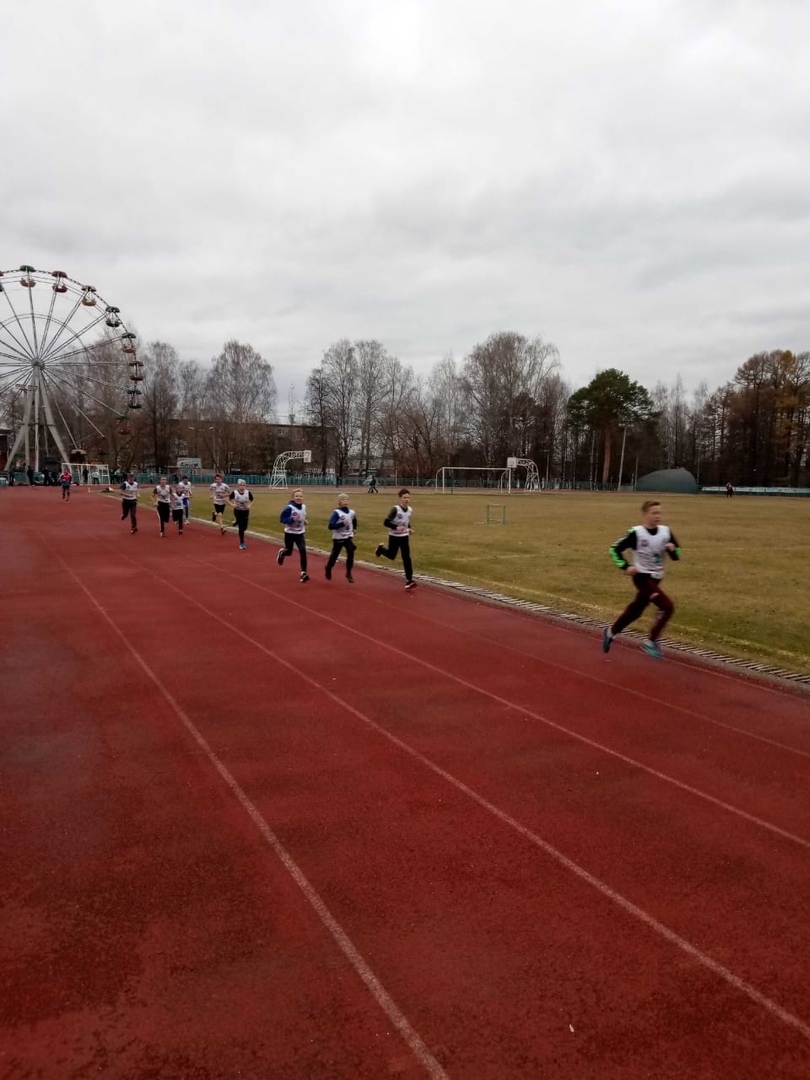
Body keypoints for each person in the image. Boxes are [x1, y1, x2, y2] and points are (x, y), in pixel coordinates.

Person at [602, 499, 681, 660]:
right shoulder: (636, 533)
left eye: (659, 512)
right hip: (642, 577)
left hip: (657, 578)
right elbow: (614, 549)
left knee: (636, 610)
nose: (658, 516)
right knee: (667, 606)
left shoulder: (666, 532)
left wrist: (672, 550)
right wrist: (626, 566)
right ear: (645, 515)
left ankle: (610, 632)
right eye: (654, 513)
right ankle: (651, 641)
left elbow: (677, 555)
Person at [375, 487, 416, 589]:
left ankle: (409, 579)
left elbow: (407, 521)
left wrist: (409, 528)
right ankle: (380, 550)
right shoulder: (395, 510)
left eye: (408, 498)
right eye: (404, 497)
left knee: (406, 557)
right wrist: (396, 527)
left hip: (404, 537)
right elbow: (386, 522)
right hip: (394, 536)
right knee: (392, 555)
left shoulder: (409, 510)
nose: (407, 500)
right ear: (400, 498)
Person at [277, 487, 309, 581]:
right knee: (289, 552)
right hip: (289, 533)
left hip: (300, 533)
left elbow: (302, 516)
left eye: (300, 496)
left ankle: (303, 573)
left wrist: (304, 521)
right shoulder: (289, 508)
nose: (299, 498)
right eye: (296, 496)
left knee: (303, 550)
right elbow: (282, 519)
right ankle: (282, 553)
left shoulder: (303, 507)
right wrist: (290, 520)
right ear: (293, 497)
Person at [325, 493, 357, 583]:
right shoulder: (337, 513)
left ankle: (348, 573)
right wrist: (342, 524)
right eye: (343, 500)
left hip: (348, 537)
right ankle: (328, 567)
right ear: (339, 502)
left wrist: (354, 528)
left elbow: (354, 519)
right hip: (338, 538)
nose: (345, 501)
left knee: (351, 552)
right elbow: (330, 526)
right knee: (334, 556)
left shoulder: (352, 512)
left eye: (347, 499)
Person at [228, 478, 253, 550]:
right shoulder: (235, 493)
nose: (242, 487)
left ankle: (236, 522)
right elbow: (228, 499)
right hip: (237, 511)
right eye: (240, 485)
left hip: (245, 511)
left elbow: (252, 500)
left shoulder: (248, 493)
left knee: (245, 527)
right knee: (241, 528)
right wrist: (232, 505)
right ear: (238, 486)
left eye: (243, 485)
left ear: (245, 486)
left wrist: (250, 505)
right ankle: (242, 543)